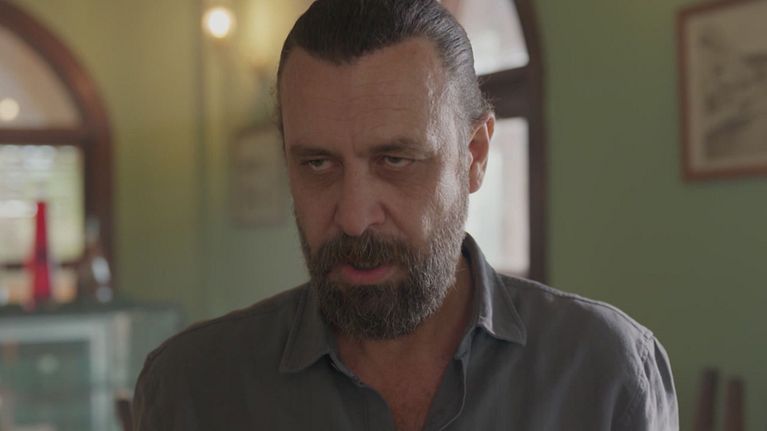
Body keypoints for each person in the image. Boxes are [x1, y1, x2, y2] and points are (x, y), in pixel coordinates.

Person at [132, 0, 678, 430]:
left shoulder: (604, 373)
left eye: (395, 160)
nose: (354, 217)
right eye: (318, 164)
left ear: (475, 156)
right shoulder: (193, 390)